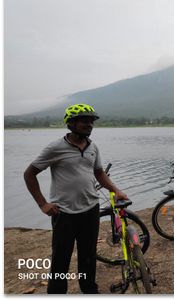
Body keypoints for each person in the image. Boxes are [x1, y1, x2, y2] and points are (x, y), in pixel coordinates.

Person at [23, 103, 127, 294]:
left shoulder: (92, 147)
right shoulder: (55, 148)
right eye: (84, 121)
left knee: (88, 256)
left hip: (90, 210)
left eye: (91, 121)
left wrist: (116, 190)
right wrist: (43, 204)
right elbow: (29, 174)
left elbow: (99, 173)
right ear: (71, 124)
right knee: (61, 259)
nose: (89, 124)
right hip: (65, 213)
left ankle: (89, 291)